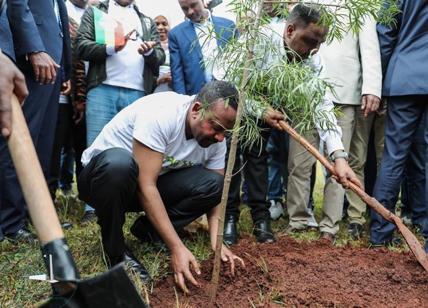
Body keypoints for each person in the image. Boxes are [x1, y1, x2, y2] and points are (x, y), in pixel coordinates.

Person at [78, 81, 248, 292]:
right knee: (120, 165)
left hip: (144, 185)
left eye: (226, 132)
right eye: (216, 128)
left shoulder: (216, 140)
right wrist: (176, 247)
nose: (221, 137)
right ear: (196, 110)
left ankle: (149, 231)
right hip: (102, 180)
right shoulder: (162, 115)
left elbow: (216, 192)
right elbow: (145, 186)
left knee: (213, 184)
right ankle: (116, 251)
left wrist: (217, 240)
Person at [0, 0, 71, 242]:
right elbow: (16, 3)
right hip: (32, 59)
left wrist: (66, 70)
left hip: (53, 64)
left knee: (43, 144)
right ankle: (10, 223)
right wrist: (33, 48)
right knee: (20, 141)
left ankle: (35, 215)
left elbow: (58, 20)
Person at [317, 7, 383, 240]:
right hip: (320, 91)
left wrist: (372, 89)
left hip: (353, 93)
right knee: (337, 160)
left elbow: (370, 50)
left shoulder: (360, 6)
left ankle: (354, 217)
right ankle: (330, 223)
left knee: (354, 159)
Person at [372, 0, 428, 252]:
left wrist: (381, 81)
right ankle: (423, 223)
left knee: (393, 156)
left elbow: (385, 32)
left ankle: (381, 231)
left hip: (404, 76)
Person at [76, 0, 165, 147]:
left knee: (131, 152)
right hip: (101, 91)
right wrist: (111, 48)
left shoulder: (147, 21)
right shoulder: (96, 12)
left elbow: (160, 55)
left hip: (138, 95)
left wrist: (149, 51)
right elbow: (81, 46)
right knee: (97, 151)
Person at [169, 0, 236, 95]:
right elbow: (177, 76)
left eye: (193, 5)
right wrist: (182, 101)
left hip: (229, 94)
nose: (190, 11)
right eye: (185, 9)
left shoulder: (229, 26)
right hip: (197, 97)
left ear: (203, 1)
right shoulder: (176, 35)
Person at [154, 15, 172, 93]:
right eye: (156, 24)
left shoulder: (176, 46)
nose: (160, 27)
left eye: (164, 24)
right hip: (152, 91)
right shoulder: (148, 46)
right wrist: (158, 80)